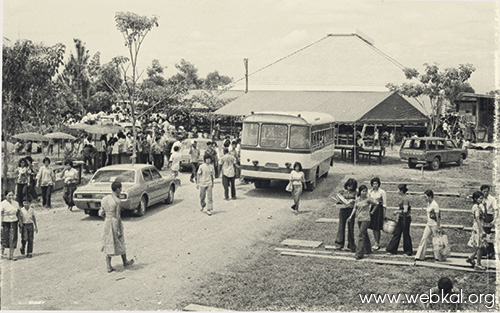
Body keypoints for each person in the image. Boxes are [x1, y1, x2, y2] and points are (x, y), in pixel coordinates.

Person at [99, 181, 134, 273]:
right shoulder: (117, 201)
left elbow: (101, 213)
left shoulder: (105, 199)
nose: (121, 190)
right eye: (120, 188)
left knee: (108, 242)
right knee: (120, 240)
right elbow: (118, 216)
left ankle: (108, 266)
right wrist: (118, 229)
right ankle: (125, 261)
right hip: (114, 221)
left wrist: (106, 218)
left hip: (107, 222)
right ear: (117, 189)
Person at [347, 185, 379, 260]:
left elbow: (376, 204)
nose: (364, 193)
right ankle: (367, 249)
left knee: (361, 235)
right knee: (364, 233)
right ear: (360, 192)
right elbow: (355, 208)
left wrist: (372, 212)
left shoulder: (368, 199)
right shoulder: (357, 199)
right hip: (359, 219)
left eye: (365, 191)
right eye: (363, 191)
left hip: (366, 219)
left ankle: (359, 253)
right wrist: (351, 216)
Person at [386, 184, 413, 256]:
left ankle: (408, 251)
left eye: (398, 189)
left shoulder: (405, 199)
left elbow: (405, 210)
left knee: (406, 235)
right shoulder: (402, 198)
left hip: (405, 219)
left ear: (401, 191)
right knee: (397, 233)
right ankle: (391, 249)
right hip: (401, 218)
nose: (397, 191)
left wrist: (397, 212)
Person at [415, 190, 441, 261]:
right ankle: (419, 256)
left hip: (434, 225)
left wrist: (438, 227)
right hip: (429, 224)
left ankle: (438, 257)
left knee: (436, 240)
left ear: (430, 197)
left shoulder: (435, 205)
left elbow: (438, 216)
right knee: (424, 238)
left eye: (426, 197)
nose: (425, 199)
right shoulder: (428, 204)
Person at [334, 178, 358, 252]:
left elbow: (357, 200)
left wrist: (352, 201)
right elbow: (338, 197)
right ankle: (339, 243)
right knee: (341, 226)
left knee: (350, 227)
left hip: (351, 210)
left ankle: (351, 244)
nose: (349, 188)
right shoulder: (342, 191)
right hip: (343, 209)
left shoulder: (356, 192)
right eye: (348, 186)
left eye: (351, 186)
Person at [466, 191, 487, 270]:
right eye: (480, 198)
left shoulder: (479, 206)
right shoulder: (476, 207)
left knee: (480, 246)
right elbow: (477, 219)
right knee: (480, 246)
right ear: (475, 198)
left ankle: (471, 258)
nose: (481, 200)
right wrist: (481, 230)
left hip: (478, 226)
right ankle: (478, 263)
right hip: (478, 227)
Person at [368, 177, 387, 250]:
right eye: (373, 184)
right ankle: (375, 241)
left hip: (379, 210)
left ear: (379, 184)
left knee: (377, 227)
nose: (375, 185)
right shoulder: (370, 192)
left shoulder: (382, 192)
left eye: (376, 184)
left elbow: (384, 204)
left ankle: (377, 243)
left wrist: (384, 214)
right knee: (373, 227)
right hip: (371, 209)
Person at [1, 190, 20, 261]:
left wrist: (20, 223)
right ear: (5, 196)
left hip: (14, 222)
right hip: (5, 222)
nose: (10, 197)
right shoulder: (3, 204)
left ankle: (11, 255)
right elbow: (1, 214)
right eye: (9, 195)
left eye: (12, 195)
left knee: (13, 238)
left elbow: (18, 213)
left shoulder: (16, 203)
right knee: (4, 238)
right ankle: (1, 253)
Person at [480, 184, 497, 258]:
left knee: (487, 235)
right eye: (484, 191)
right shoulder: (480, 198)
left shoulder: (492, 199)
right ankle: (483, 251)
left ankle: (491, 251)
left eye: (487, 191)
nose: (485, 193)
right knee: (481, 234)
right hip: (481, 217)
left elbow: (495, 210)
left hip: (488, 217)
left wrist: (494, 220)